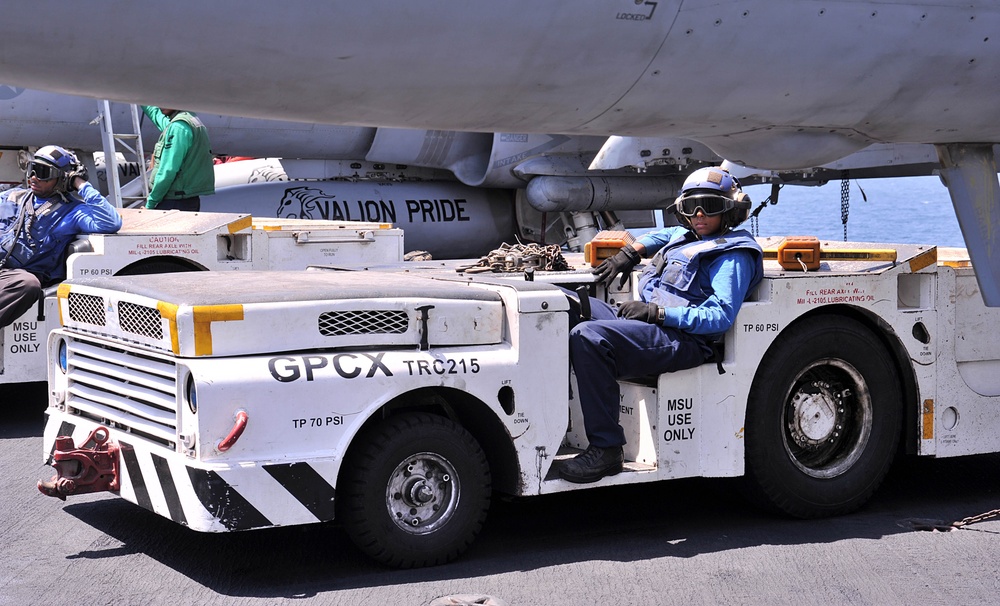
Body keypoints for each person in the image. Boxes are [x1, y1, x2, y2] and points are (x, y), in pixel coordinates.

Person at [560, 166, 765, 483]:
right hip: (650, 325)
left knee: (588, 337)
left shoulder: (731, 257)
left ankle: (606, 449)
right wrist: (631, 251)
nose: (698, 215)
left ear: (730, 210)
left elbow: (720, 316)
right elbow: (662, 235)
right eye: (689, 207)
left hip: (683, 339)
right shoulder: (689, 236)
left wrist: (657, 314)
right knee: (562, 304)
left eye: (709, 207)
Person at [0, 145, 123, 328]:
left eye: (42, 172)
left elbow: (110, 223)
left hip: (15, 278)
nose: (33, 177)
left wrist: (79, 184)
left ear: (62, 178)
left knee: (28, 284)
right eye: (31, 169)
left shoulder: (73, 212)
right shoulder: (11, 196)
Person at [142, 105, 215, 211]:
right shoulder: (187, 120)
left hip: (175, 203)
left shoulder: (178, 128)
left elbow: (168, 171)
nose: (160, 104)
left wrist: (150, 204)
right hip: (187, 200)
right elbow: (157, 116)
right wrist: (139, 99)